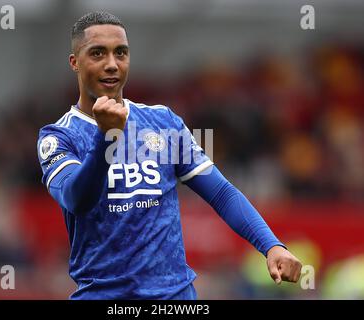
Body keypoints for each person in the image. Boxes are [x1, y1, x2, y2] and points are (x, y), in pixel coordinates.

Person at [37, 11, 302, 300]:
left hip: (175, 298)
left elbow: (222, 193)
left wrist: (271, 245)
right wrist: (106, 137)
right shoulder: (57, 137)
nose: (112, 64)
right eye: (98, 53)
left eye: (121, 53)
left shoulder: (163, 122)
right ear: (75, 62)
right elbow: (79, 200)